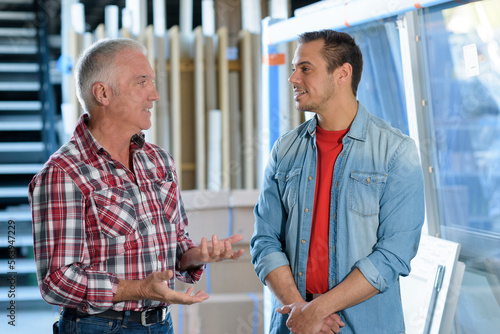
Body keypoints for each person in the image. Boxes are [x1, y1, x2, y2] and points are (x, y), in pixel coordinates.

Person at [28, 38, 244, 334]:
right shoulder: (64, 172)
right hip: (100, 327)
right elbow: (57, 282)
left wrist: (197, 256)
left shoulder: (158, 160)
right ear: (102, 93)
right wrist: (140, 289)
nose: (154, 95)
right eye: (142, 83)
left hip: (160, 324)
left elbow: (176, 242)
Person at [250, 30, 425, 334]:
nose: (293, 78)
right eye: (294, 68)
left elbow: (394, 254)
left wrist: (317, 310)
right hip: (293, 324)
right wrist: (300, 311)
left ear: (342, 73)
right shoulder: (285, 150)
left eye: (305, 68)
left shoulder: (396, 152)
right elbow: (264, 241)